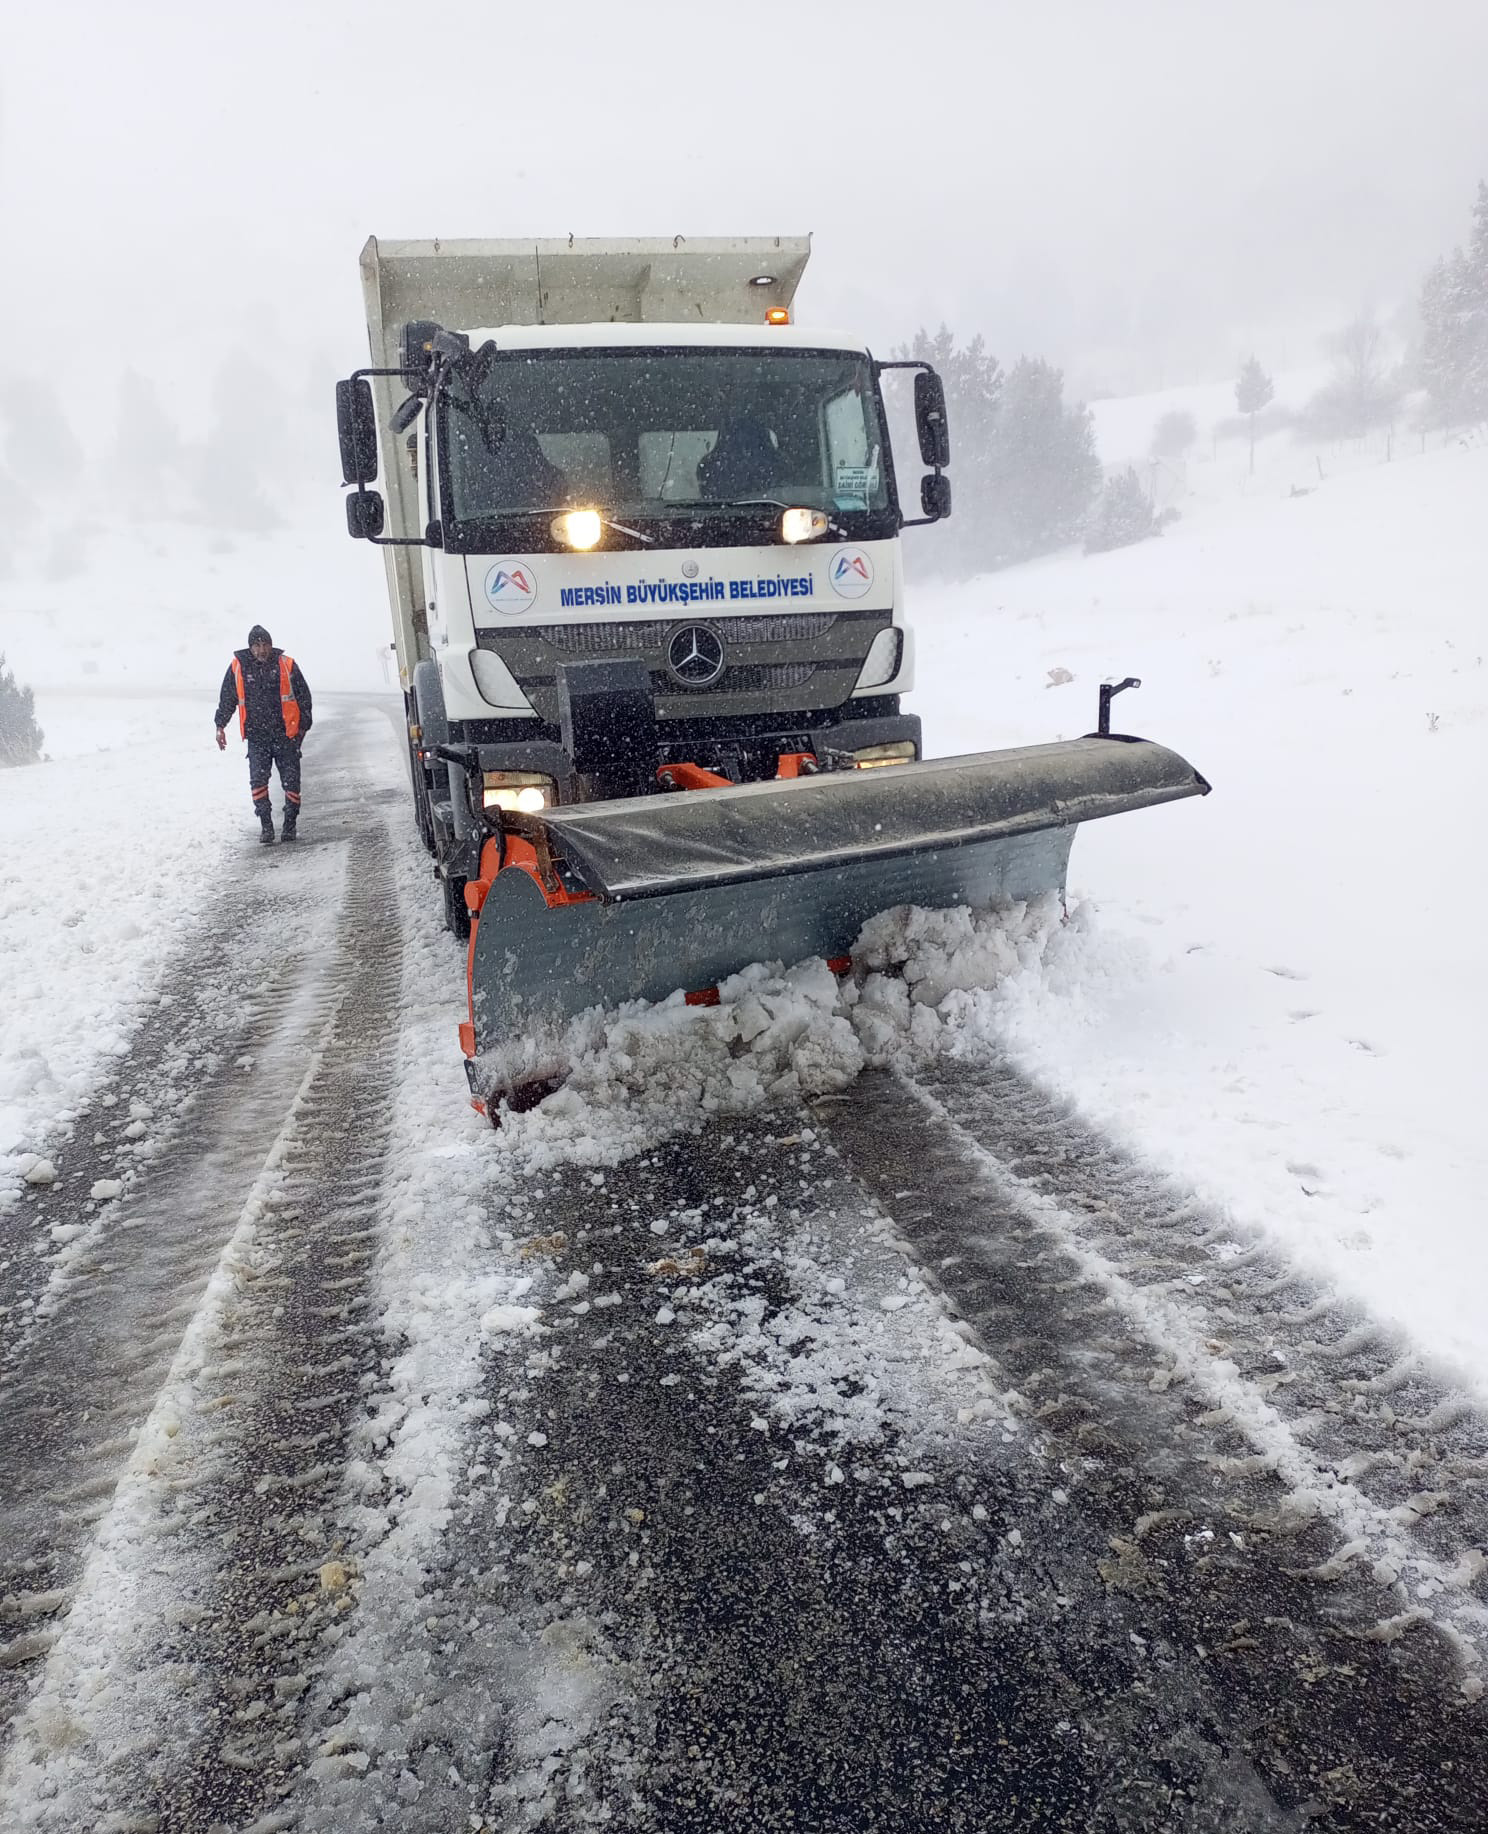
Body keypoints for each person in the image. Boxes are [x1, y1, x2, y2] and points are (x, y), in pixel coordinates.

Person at [214, 625, 312, 844]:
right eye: (256, 645)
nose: (261, 650)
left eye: (265, 644)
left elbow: (304, 698)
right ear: (250, 648)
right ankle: (266, 826)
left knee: (291, 782)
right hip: (257, 737)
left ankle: (290, 825)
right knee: (258, 781)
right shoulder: (238, 667)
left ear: (271, 644)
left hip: (285, 735)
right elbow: (227, 699)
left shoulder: (286, 665)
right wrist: (220, 725)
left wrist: (303, 729)